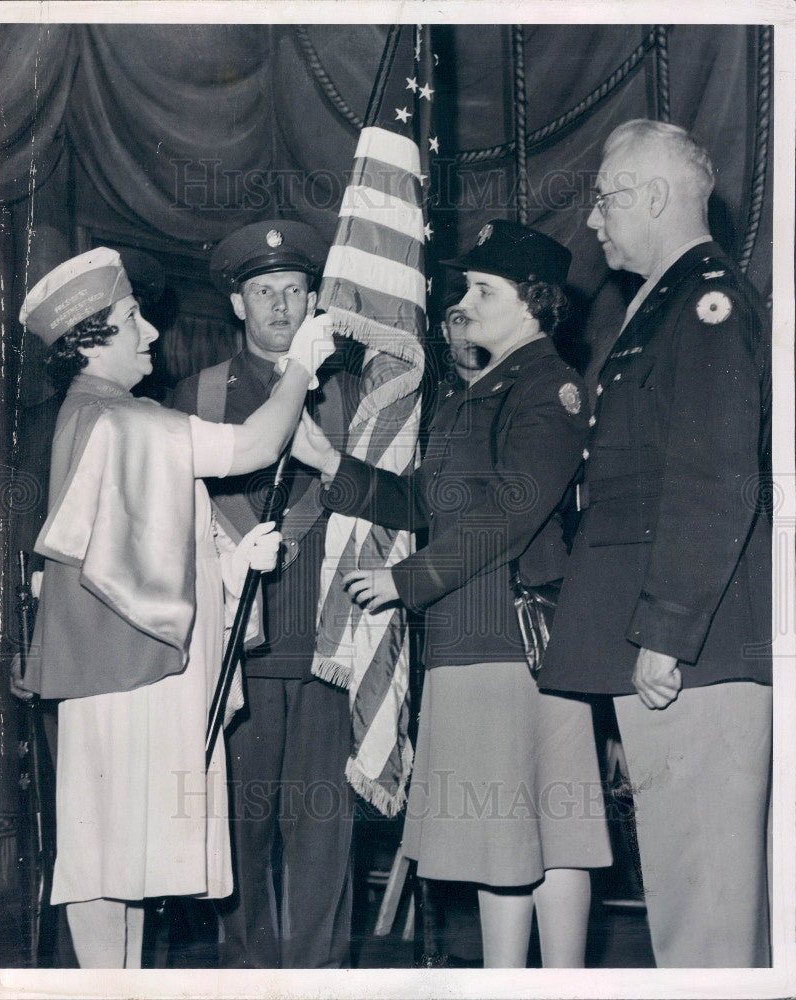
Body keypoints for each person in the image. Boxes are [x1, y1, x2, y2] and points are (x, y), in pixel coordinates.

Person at [293, 220, 613, 968]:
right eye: (464, 287)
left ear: (533, 303)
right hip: (478, 641)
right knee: (522, 837)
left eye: (483, 290)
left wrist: (407, 582)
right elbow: (422, 504)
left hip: (508, 643)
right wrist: (333, 465)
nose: (461, 302)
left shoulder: (547, 387)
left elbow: (510, 510)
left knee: (536, 837)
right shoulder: (479, 392)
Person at [16, 246, 334, 967]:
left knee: (122, 864)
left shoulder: (99, 417)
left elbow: (142, 548)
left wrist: (228, 562)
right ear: (91, 335)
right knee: (107, 865)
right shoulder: (120, 420)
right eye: (133, 321)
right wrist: (300, 369)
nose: (152, 335)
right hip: (126, 679)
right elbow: (253, 445)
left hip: (119, 673)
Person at [539, 120, 772, 967]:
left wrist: (667, 631)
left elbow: (712, 481)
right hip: (676, 646)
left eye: (604, 199)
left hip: (693, 651)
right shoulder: (666, 303)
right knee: (690, 897)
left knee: (704, 906)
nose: (594, 222)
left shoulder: (706, 305)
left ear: (654, 195)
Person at [172, 220, 357, 969]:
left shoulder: (352, 396)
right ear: (238, 305)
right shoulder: (199, 393)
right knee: (238, 838)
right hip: (238, 648)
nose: (280, 306)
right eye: (263, 292)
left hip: (326, 647)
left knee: (322, 839)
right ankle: (244, 979)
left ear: (313, 298)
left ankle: (323, 982)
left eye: (293, 290)